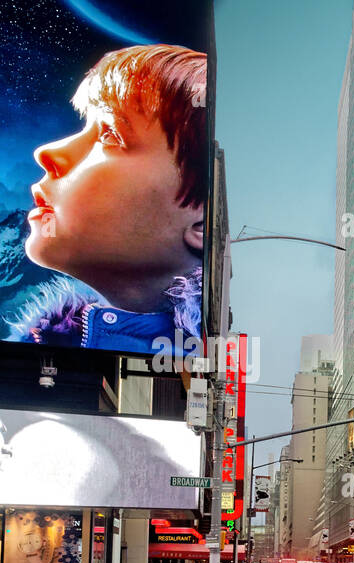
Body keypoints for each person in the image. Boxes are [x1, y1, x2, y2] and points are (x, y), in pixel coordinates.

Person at [7, 46, 207, 359]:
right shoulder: (37, 345)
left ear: (202, 223)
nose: (46, 153)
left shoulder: (193, 371)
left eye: (111, 134)